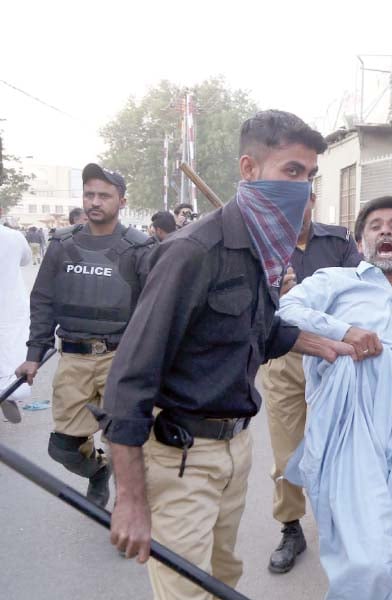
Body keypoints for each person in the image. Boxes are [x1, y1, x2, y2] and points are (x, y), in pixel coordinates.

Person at [97, 110, 355, 600]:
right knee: (187, 592)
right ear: (249, 168)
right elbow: (128, 382)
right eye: (292, 171)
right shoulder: (194, 251)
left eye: (310, 175)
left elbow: (255, 330)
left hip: (236, 450)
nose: (302, 187)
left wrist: (324, 342)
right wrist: (129, 498)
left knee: (222, 579)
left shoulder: (263, 244)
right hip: (179, 457)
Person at [278, 195, 392, 600]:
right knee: (366, 564)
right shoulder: (334, 282)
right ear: (361, 243)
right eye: (375, 225)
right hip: (346, 432)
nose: (385, 230)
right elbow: (284, 311)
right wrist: (344, 332)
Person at [14, 164, 153, 507]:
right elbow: (43, 301)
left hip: (121, 359)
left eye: (104, 195)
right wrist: (34, 354)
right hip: (74, 357)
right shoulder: (62, 244)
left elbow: (155, 308)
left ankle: (127, 509)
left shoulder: (140, 248)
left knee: (126, 442)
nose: (95, 201)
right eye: (89, 194)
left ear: (122, 201)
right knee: (63, 448)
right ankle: (96, 470)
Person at [260, 190, 361, 574]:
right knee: (287, 454)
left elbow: (361, 289)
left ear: (312, 200)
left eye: (297, 200)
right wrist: (275, 294)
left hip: (334, 357)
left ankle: (344, 526)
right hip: (285, 355)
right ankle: (290, 527)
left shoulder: (338, 241)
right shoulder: (263, 245)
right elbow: (249, 305)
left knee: (340, 448)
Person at [0, 224, 32, 410]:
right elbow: (26, 260)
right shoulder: (14, 236)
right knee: (10, 350)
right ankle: (9, 392)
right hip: (10, 305)